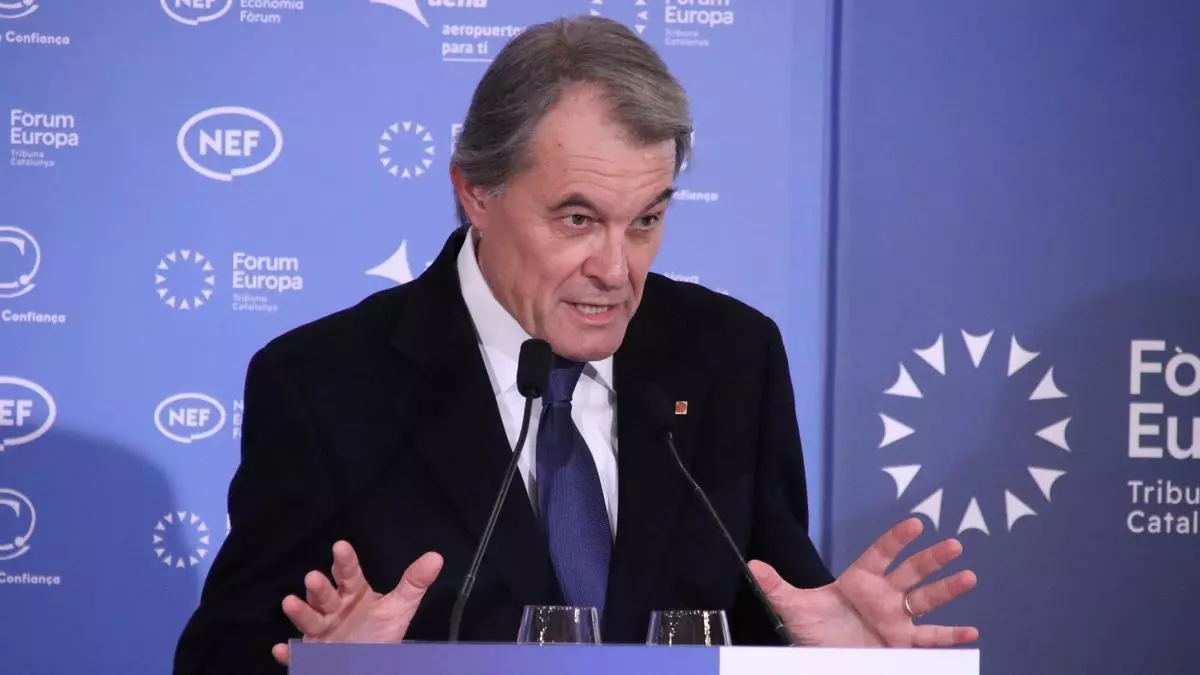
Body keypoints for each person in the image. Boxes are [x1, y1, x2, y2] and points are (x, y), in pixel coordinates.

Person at [173, 15, 978, 674]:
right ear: (475, 191)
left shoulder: (733, 358)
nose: (616, 270)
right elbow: (217, 658)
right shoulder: (325, 384)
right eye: (578, 219)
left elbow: (767, 616)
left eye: (647, 220)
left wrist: (833, 662)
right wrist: (325, 667)